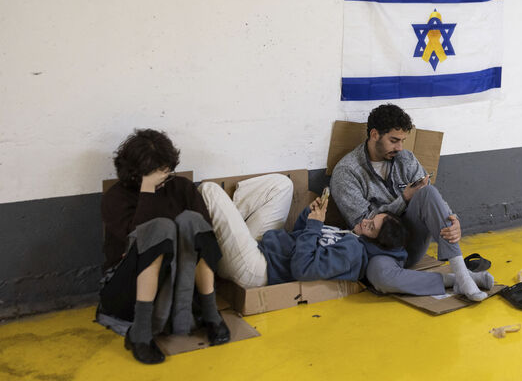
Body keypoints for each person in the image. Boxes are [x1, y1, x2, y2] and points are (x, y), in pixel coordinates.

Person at [330, 104, 494, 301]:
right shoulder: (346, 172)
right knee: (381, 279)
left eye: (403, 141)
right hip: (378, 250)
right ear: (374, 134)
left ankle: (462, 274)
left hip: (411, 243)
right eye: (394, 141)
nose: (400, 148)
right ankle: (455, 280)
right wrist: (404, 199)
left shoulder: (405, 158)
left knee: (427, 192)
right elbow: (362, 224)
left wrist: (453, 220)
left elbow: (432, 200)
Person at [98, 129, 230, 365]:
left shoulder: (182, 188)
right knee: (159, 228)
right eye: (157, 170)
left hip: (181, 279)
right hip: (128, 287)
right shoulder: (115, 198)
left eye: (166, 168)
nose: (164, 174)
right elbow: (133, 240)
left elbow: (206, 239)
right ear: (136, 172)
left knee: (193, 222)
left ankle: (211, 314)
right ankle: (140, 333)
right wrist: (147, 190)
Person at [198, 174, 408, 287]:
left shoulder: (352, 254)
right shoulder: (351, 235)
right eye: (370, 218)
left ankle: (214, 241)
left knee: (210, 190)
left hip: (258, 268)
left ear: (373, 243)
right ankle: (223, 234)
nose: (364, 222)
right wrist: (309, 214)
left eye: (370, 228)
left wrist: (315, 226)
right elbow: (298, 236)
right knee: (282, 185)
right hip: (264, 246)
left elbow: (303, 269)